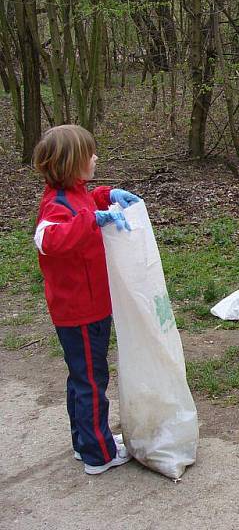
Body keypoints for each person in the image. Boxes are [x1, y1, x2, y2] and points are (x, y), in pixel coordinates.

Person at [32, 124, 142, 474]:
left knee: (83, 376)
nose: (95, 158)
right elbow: (49, 239)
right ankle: (99, 454)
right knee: (91, 380)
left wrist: (108, 195)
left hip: (91, 306)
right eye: (89, 153)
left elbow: (87, 202)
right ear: (72, 162)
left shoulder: (75, 194)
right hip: (79, 310)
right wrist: (93, 220)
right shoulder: (54, 206)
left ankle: (85, 441)